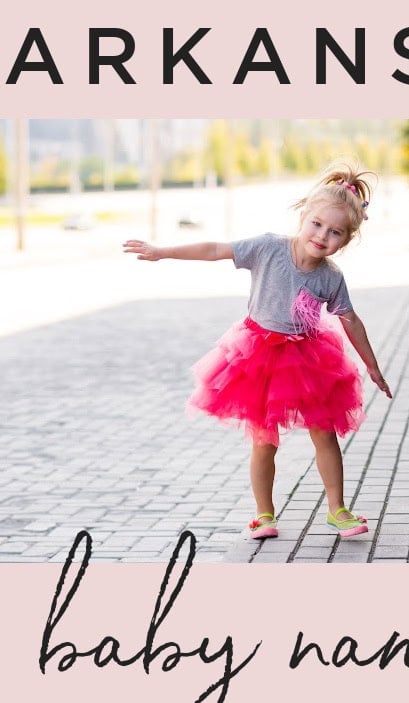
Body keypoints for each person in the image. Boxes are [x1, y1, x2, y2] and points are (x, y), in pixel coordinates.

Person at [123, 161, 391, 540]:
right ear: (304, 216)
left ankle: (337, 509)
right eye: (317, 224)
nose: (322, 235)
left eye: (335, 233)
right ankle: (264, 514)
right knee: (264, 441)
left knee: (324, 433)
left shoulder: (330, 277)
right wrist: (163, 251)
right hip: (259, 356)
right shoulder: (268, 248)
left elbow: (351, 321)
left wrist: (373, 367)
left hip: (309, 359)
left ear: (345, 241)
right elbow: (216, 248)